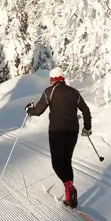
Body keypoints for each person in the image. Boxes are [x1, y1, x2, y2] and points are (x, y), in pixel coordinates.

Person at [26, 66, 92, 208]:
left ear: (53, 79)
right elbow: (86, 110)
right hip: (72, 132)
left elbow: (38, 111)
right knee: (67, 162)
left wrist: (29, 109)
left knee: (57, 163)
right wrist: (87, 128)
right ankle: (69, 198)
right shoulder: (74, 92)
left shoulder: (49, 92)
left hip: (56, 132)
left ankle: (69, 186)